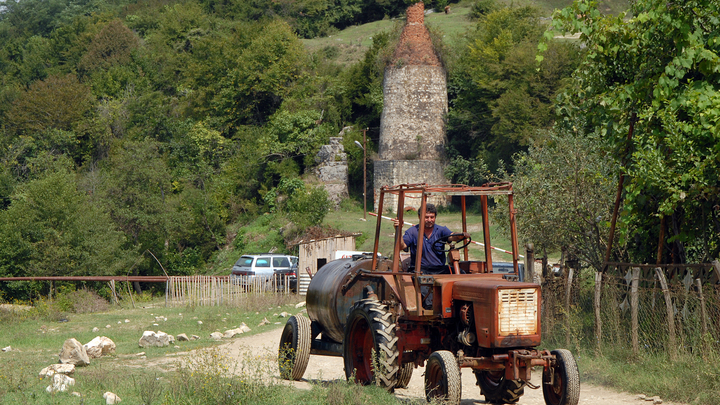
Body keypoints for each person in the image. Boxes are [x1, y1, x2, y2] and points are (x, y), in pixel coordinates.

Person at [392, 204, 469, 308]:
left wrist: (461, 235)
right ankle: (430, 308)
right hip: (420, 270)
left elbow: (452, 236)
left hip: (439, 269)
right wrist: (398, 230)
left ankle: (462, 303)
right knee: (428, 297)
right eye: (426, 217)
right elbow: (402, 245)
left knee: (462, 274)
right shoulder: (413, 231)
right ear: (420, 217)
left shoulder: (441, 230)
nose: (429, 220)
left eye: (432, 217)